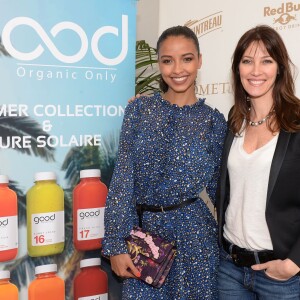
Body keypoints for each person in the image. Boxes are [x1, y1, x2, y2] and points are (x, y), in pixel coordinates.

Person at [102, 25, 227, 299]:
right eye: (167, 60)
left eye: (187, 58)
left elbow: (223, 192)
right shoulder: (139, 111)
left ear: (200, 60)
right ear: (159, 63)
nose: (177, 69)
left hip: (196, 238)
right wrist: (115, 244)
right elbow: (123, 180)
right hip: (145, 239)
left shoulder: (213, 122)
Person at [216, 25, 300, 299]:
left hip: (279, 276)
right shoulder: (234, 119)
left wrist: (293, 263)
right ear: (237, 68)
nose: (255, 71)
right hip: (230, 268)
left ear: (280, 68)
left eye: (266, 61)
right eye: (247, 61)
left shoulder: (296, 122)